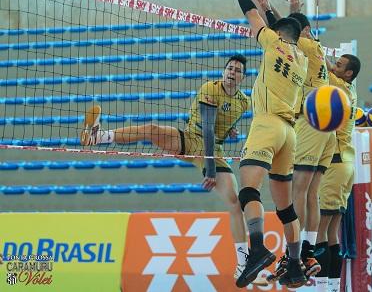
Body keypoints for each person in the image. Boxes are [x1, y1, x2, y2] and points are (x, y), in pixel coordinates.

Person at [80, 54, 265, 286]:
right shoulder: (210, 88)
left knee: (234, 201)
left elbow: (220, 128)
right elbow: (207, 130)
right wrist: (209, 170)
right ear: (223, 71)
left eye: (238, 70)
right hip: (191, 139)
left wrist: (229, 133)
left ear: (243, 77)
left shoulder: (244, 103)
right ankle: (99, 136)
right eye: (229, 68)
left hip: (212, 150)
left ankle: (242, 264)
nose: (232, 72)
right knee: (152, 129)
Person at [231, 0, 308, 288]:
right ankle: (294, 264)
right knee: (285, 207)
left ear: (278, 35)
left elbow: (252, 18)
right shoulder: (302, 59)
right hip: (290, 134)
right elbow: (283, 27)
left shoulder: (271, 43)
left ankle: (259, 248)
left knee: (248, 188)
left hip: (266, 124)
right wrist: (273, 7)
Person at [250, 0, 329, 281]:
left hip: (308, 122)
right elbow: (290, 30)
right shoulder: (314, 49)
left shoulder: (303, 49)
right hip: (322, 128)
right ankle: (303, 253)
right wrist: (273, 7)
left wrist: (268, 8)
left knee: (296, 192)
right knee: (310, 194)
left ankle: (299, 256)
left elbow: (286, 34)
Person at [315, 54, 361, 292]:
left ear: (349, 73)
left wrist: (316, 48)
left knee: (321, 229)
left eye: (340, 66)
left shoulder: (338, 88)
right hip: (344, 164)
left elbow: (321, 64)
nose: (335, 66)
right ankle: (332, 287)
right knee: (332, 231)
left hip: (336, 163)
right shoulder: (348, 89)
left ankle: (323, 287)